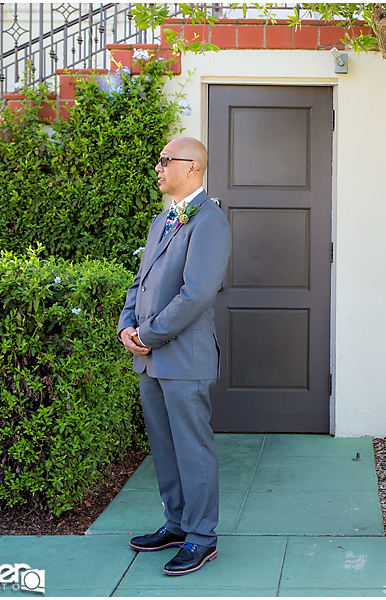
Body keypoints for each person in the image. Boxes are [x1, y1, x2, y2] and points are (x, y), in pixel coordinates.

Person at [117, 136, 231, 576]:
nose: (159, 167)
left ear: (194, 168)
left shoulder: (210, 222)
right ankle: (178, 523)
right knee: (164, 447)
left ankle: (202, 537)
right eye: (159, 160)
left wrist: (149, 333)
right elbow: (140, 280)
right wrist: (128, 324)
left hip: (183, 358)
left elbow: (197, 293)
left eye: (167, 161)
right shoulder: (162, 219)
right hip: (149, 356)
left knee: (192, 448)